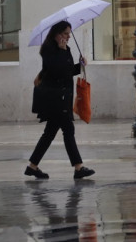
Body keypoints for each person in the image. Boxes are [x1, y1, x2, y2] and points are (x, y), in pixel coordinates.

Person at [26, 21, 95, 180]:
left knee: (49, 133)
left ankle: (32, 166)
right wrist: (63, 52)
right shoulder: (48, 50)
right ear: (57, 34)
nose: (68, 36)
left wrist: (80, 65)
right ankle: (78, 168)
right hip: (56, 98)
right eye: (65, 33)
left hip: (63, 97)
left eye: (69, 33)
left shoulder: (65, 49)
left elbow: (68, 71)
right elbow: (55, 71)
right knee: (68, 131)